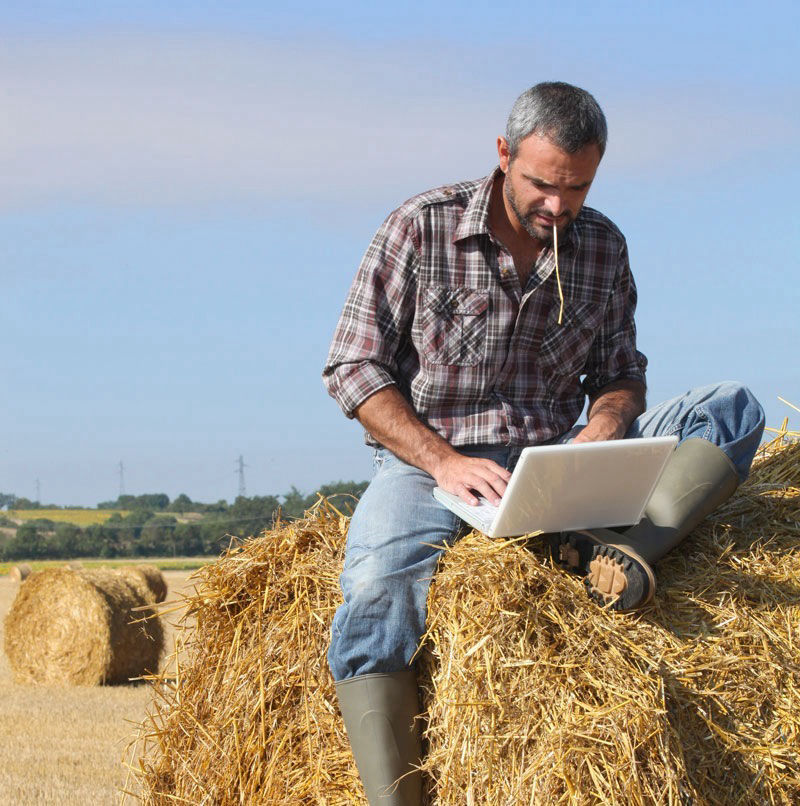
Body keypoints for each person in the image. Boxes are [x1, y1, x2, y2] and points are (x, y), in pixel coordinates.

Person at [322, 82, 764, 805]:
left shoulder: (602, 244)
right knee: (375, 596)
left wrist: (607, 425)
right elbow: (352, 368)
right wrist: (443, 460)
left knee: (731, 409)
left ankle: (615, 556)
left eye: (578, 187)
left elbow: (621, 372)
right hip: (432, 468)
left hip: (560, 454)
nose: (558, 207)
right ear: (503, 155)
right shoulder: (419, 227)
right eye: (542, 184)